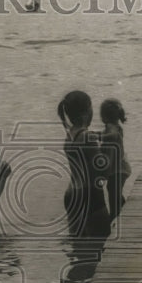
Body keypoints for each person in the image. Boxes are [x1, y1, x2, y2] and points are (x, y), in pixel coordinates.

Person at [58, 90, 111, 239]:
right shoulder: (87, 136)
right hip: (89, 192)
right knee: (100, 240)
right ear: (86, 111)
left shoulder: (69, 135)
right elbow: (102, 170)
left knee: (77, 242)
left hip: (71, 193)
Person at [98, 98, 131, 222]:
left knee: (113, 193)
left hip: (118, 169)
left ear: (103, 115)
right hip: (119, 167)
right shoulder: (114, 126)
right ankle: (123, 211)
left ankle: (114, 217)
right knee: (114, 192)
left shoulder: (112, 128)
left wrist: (98, 136)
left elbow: (114, 136)